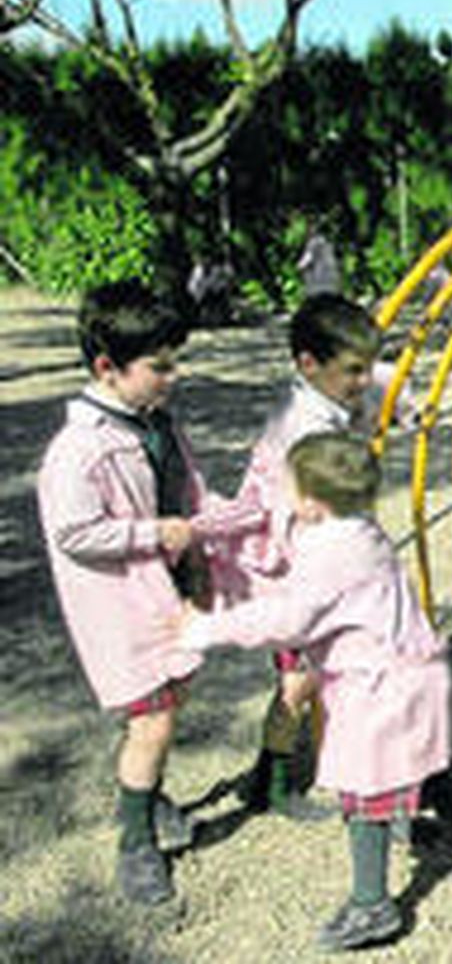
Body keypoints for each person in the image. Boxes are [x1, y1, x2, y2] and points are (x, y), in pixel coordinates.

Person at [179, 433, 452, 952]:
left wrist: (206, 628)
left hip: (381, 688)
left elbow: (289, 619)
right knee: (423, 764)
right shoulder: (363, 530)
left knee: (366, 792)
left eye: (286, 487)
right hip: (418, 675)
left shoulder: (332, 552)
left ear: (310, 502)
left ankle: (372, 905)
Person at [36, 280, 226, 904]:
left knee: (167, 709)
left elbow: (192, 493)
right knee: (152, 722)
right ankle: (135, 844)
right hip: (121, 608)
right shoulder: (79, 451)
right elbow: (74, 531)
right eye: (160, 365)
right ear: (106, 368)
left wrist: (233, 519)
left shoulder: (158, 425)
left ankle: (150, 801)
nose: (174, 375)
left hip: (167, 595)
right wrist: (154, 534)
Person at [216, 294, 389, 821]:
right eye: (352, 371)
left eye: (365, 370)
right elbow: (293, 520)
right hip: (297, 575)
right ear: (307, 364)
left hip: (314, 569)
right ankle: (271, 780)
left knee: (314, 678)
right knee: (300, 681)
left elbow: (372, 395)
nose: (364, 382)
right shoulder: (302, 430)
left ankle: (299, 774)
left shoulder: (325, 406)